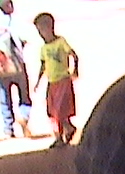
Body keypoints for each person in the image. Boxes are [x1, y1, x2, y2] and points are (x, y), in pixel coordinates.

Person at [32, 12, 79, 147]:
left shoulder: (60, 42)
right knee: (52, 111)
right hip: (52, 82)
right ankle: (68, 129)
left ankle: (59, 137)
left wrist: (75, 70)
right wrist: (38, 82)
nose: (41, 34)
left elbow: (74, 55)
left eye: (42, 30)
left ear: (50, 27)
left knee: (60, 110)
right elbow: (43, 65)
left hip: (63, 80)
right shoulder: (44, 48)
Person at [0, 0, 33, 138]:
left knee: (4, 98)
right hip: (17, 66)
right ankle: (24, 116)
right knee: (24, 96)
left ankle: (8, 129)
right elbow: (23, 39)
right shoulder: (15, 21)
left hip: (1, 68)